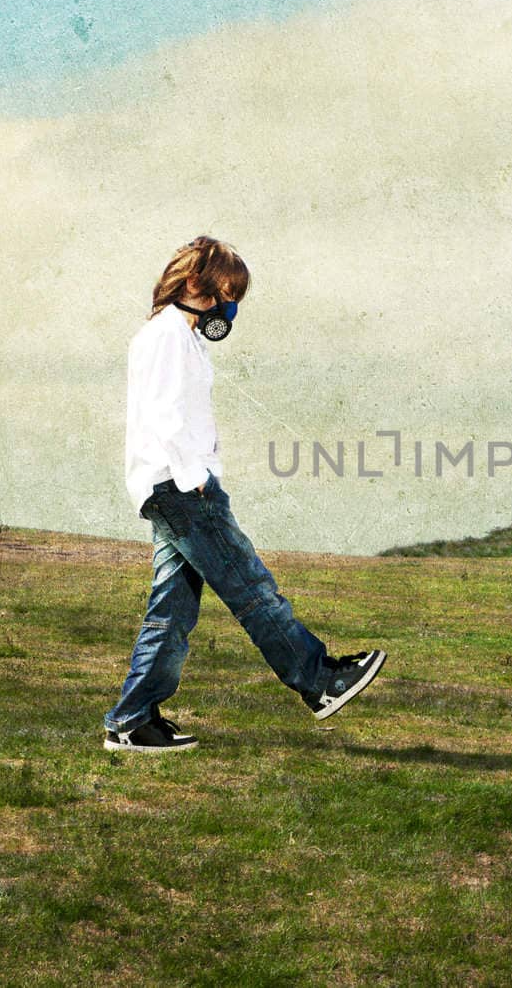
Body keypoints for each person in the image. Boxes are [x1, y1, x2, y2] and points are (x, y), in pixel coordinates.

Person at [103, 235, 386, 752]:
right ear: (193, 284)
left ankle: (132, 720)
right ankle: (319, 681)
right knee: (251, 588)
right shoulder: (167, 335)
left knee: (172, 611)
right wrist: (197, 481)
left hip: (169, 486)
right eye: (221, 294)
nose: (226, 308)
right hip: (181, 489)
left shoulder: (176, 335)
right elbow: (166, 416)